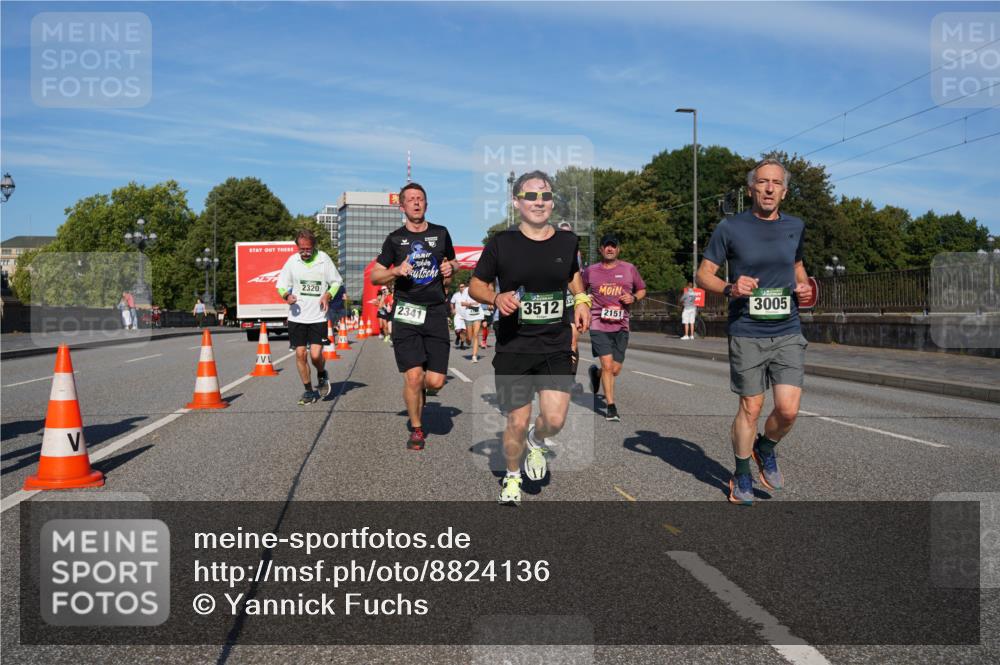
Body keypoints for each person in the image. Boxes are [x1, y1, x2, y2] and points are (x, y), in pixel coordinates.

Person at [697, 157, 813, 506]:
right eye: (762, 182)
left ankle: (765, 447)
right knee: (751, 406)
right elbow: (703, 274)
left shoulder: (795, 226)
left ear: (785, 192)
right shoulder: (730, 227)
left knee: (788, 410)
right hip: (747, 329)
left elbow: (797, 266)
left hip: (788, 327)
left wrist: (805, 286)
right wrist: (730, 287)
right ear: (751, 189)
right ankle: (742, 474)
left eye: (776, 183)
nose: (769, 188)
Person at [470, 170, 590, 505]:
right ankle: (512, 477)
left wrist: (581, 299)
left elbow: (572, 274)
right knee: (517, 421)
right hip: (515, 346)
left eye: (545, 196)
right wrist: (495, 297)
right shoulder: (501, 244)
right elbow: (476, 285)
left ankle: (537, 442)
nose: (539, 202)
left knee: (554, 419)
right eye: (531, 196)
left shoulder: (567, 242)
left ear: (552, 201)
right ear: (516, 202)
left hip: (554, 344)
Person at [371, 182, 457, 450]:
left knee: (435, 381)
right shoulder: (395, 239)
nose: (416, 202)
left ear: (426, 204)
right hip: (407, 312)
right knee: (413, 376)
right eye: (411, 199)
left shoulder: (440, 233)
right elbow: (375, 275)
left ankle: (422, 390)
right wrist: (395, 271)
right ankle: (417, 429)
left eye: (420, 198)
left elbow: (453, 261)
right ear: (402, 207)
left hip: (435, 312)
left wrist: (450, 268)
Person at [583, 233, 646, 422]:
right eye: (606, 246)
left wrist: (633, 297)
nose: (610, 249)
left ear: (618, 249)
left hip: (621, 326)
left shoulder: (629, 269)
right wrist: (585, 299)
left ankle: (596, 374)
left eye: (613, 246)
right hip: (598, 324)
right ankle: (611, 407)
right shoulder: (591, 271)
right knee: (608, 365)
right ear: (600, 249)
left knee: (615, 369)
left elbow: (642, 289)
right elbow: (579, 290)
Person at [276, 229, 343, 405]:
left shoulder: (323, 259)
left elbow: (336, 281)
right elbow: (281, 285)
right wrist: (286, 296)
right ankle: (308, 391)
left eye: (308, 249)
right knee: (300, 354)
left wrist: (328, 295)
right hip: (297, 316)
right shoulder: (292, 261)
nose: (305, 252)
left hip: (318, 316)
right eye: (302, 249)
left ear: (314, 246)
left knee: (315, 355)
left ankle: (321, 374)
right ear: (297, 247)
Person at [460, 283, 484, 363]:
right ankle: (467, 337)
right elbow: (462, 303)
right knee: (469, 339)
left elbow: (483, 300)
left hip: (478, 315)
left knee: (476, 335)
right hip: (468, 316)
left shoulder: (480, 289)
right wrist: (471, 304)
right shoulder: (466, 290)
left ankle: (474, 356)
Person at [450, 284, 467, 349]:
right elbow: (452, 303)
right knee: (457, 330)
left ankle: (462, 344)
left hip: (466, 315)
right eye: (460, 287)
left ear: (465, 287)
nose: (461, 288)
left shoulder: (468, 295)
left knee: (464, 331)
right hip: (458, 315)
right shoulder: (456, 295)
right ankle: (458, 337)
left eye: (463, 287)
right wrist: (452, 309)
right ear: (459, 288)